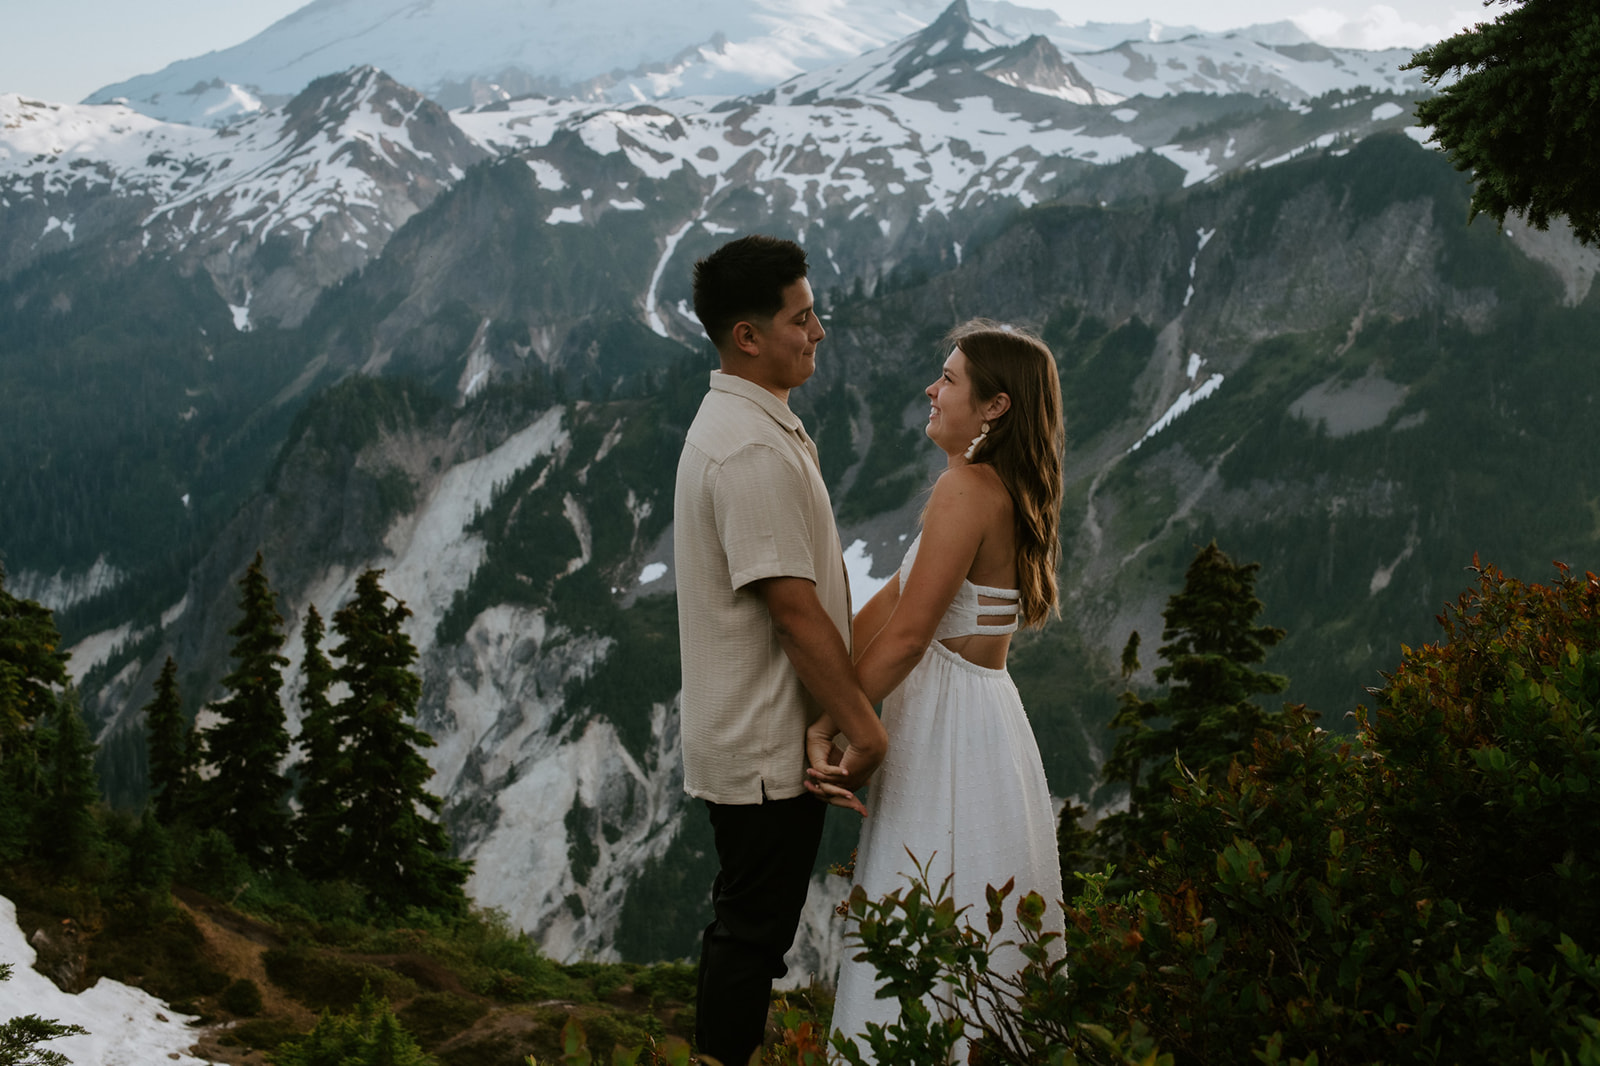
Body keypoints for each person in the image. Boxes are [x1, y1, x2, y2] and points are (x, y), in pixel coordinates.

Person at [809, 320, 1067, 1054]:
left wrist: (832, 722)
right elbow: (884, 608)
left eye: (950, 378)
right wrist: (814, 679)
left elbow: (909, 637)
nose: (933, 387)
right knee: (981, 926)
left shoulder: (965, 488)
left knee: (922, 906)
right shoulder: (1006, 490)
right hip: (992, 722)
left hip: (946, 727)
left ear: (995, 406)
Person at [674, 234, 889, 1066]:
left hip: (757, 733)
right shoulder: (752, 447)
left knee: (749, 927)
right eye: (802, 319)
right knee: (751, 934)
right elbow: (794, 611)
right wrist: (860, 724)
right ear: (747, 337)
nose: (820, 332)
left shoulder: (748, 421)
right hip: (766, 745)